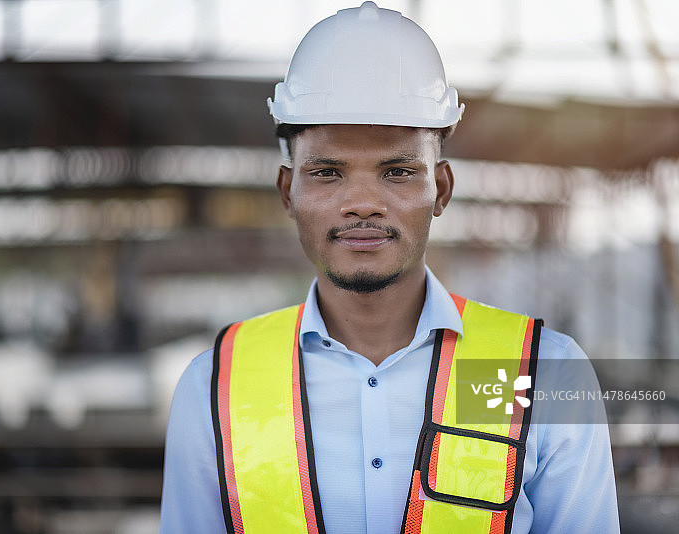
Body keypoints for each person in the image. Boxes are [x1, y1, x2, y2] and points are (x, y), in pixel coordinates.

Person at [160, 3, 619, 533]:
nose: (361, 203)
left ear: (441, 190)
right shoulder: (215, 386)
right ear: (289, 191)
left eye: (397, 172)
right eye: (328, 173)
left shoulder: (539, 373)